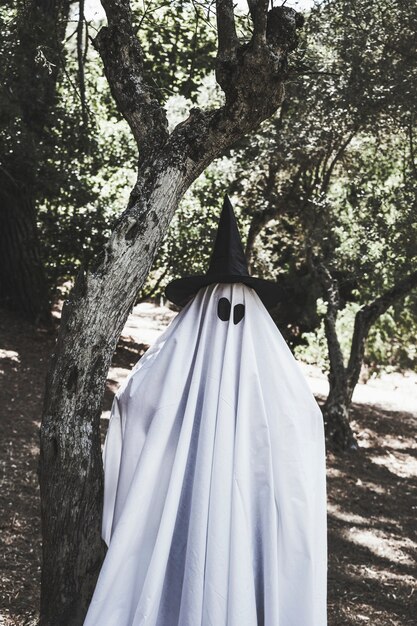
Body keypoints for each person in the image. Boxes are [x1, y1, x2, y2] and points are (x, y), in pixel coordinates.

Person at [84, 196, 328, 626]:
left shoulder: (273, 380)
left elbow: (302, 426)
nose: (228, 323)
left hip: (246, 521)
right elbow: (137, 402)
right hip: (180, 509)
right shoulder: (181, 362)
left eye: (237, 311)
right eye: (220, 308)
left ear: (251, 311)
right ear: (201, 307)